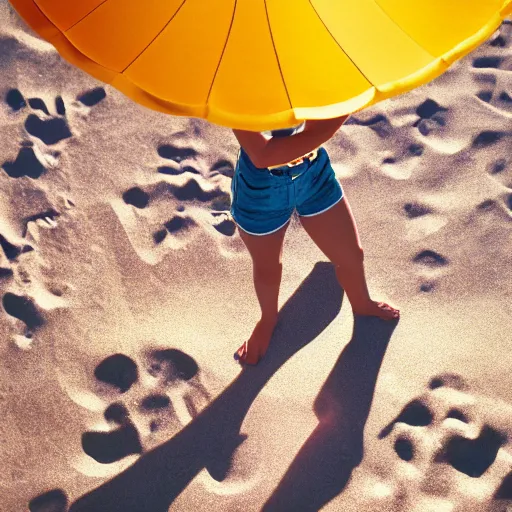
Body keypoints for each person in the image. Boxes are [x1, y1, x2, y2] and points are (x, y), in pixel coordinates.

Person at [230, 115, 400, 365]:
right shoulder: (235, 84)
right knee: (268, 269)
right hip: (262, 188)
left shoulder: (309, 75)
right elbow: (263, 154)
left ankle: (362, 303)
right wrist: (330, 126)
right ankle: (268, 319)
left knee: (352, 255)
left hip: (314, 172)